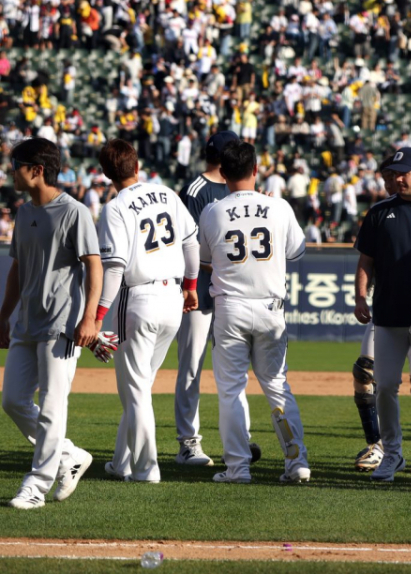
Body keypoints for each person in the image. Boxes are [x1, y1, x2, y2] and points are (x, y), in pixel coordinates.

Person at [199, 140, 309, 484]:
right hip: (270, 307)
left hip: (230, 308)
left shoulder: (212, 211)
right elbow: (296, 252)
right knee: (277, 386)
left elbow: (204, 261)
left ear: (222, 172)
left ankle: (238, 468)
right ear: (256, 169)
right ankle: (297, 463)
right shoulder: (279, 207)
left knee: (231, 390)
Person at [0, 137, 101, 509]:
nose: (12, 172)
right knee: (12, 401)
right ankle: (69, 455)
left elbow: (94, 265)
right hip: (26, 322)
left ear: (37, 170)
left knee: (52, 407)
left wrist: (90, 317)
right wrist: (4, 315)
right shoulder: (24, 213)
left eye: (16, 166)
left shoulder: (75, 212)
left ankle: (36, 486)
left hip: (61, 323)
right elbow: (17, 268)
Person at [96, 139, 199, 483]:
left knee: (136, 389)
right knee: (139, 386)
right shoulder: (166, 193)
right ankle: (121, 462)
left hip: (137, 298)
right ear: (136, 166)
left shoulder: (115, 207)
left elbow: (114, 267)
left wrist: (97, 317)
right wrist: (191, 286)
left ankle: (145, 469)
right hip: (172, 297)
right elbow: (191, 241)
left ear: (107, 173)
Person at [353, 148, 411, 481]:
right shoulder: (379, 212)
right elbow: (366, 262)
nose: (396, 179)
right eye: (391, 174)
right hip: (387, 315)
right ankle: (392, 453)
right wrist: (361, 296)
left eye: (403, 173)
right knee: (385, 385)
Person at [175, 130, 258, 467]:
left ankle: (240, 440)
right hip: (199, 293)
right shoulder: (196, 191)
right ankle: (188, 442)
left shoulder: (236, 187)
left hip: (231, 293)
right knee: (191, 368)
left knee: (234, 370)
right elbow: (187, 247)